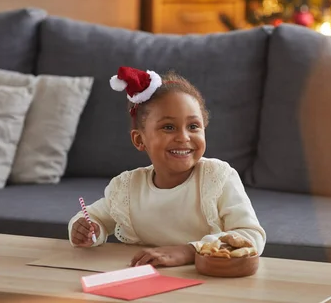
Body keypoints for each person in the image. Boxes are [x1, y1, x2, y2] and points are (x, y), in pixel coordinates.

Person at [68, 66, 266, 268]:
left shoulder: (217, 177)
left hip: (207, 282)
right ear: (139, 139)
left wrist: (189, 251)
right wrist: (87, 230)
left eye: (193, 126)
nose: (183, 137)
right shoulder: (126, 188)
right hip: (148, 280)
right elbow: (93, 217)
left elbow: (251, 236)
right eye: (169, 127)